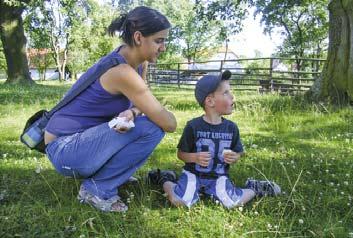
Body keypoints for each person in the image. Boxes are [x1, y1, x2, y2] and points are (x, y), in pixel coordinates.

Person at [44, 6, 177, 212]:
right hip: (65, 149)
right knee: (153, 127)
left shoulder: (138, 64)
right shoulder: (122, 71)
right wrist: (157, 111)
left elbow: (137, 106)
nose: (164, 47)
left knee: (143, 122)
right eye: (159, 40)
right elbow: (169, 123)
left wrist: (132, 112)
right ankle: (96, 190)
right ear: (139, 37)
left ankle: (107, 175)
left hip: (83, 141)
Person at [149, 70, 280, 208]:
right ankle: (164, 178)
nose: (232, 96)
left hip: (218, 176)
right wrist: (194, 157)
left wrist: (235, 157)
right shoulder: (193, 126)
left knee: (231, 203)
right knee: (180, 201)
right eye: (226, 93)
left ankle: (254, 187)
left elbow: (238, 151)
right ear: (210, 101)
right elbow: (181, 154)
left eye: (230, 91)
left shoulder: (231, 128)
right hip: (194, 174)